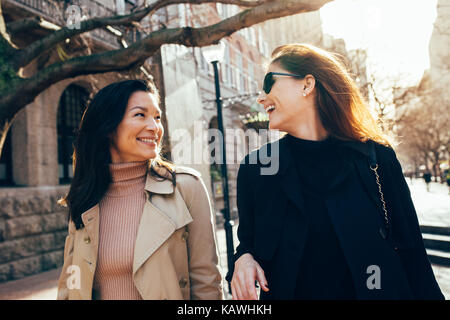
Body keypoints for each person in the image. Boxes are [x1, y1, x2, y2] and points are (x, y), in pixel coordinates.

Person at [226, 44, 444, 300]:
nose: (261, 98)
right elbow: (247, 244)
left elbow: (413, 253)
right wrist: (243, 260)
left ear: (307, 85)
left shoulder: (377, 159)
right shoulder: (256, 169)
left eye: (269, 84)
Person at [57, 80, 223, 300]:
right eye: (140, 115)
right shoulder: (86, 196)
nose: (155, 128)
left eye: (157, 117)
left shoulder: (185, 187)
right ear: (108, 127)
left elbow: (207, 283)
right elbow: (71, 284)